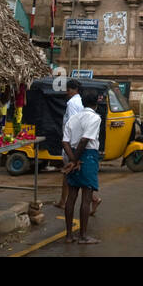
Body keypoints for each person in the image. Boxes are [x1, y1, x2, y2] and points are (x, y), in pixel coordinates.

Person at [63, 89, 102, 245]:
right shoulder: (95, 118)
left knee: (71, 197)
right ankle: (83, 236)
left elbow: (65, 141)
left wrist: (72, 159)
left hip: (72, 153)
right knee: (86, 198)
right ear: (96, 104)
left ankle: (68, 235)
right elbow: (85, 140)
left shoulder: (73, 118)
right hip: (88, 156)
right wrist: (76, 160)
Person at [56, 79, 83, 212]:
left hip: (71, 142)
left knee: (70, 172)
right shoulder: (78, 101)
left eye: (68, 90)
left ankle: (93, 199)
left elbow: (72, 123)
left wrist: (69, 144)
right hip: (74, 142)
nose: (67, 92)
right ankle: (62, 200)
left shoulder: (72, 103)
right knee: (71, 173)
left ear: (74, 90)